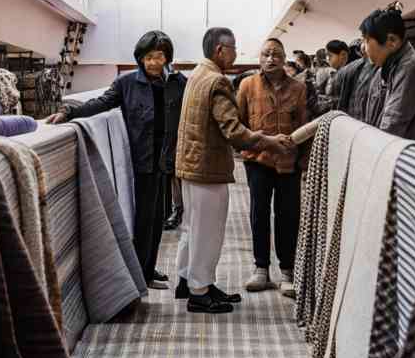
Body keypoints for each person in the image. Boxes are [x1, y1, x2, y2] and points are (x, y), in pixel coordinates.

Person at [48, 30, 185, 289]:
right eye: (149, 57)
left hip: (166, 160)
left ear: (167, 58)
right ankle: (141, 275)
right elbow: (101, 103)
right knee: (144, 219)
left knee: (159, 217)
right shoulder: (127, 83)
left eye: (160, 56)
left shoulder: (177, 83)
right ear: (140, 58)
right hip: (142, 161)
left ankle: (149, 267)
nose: (155, 62)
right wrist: (68, 112)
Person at [174, 27, 288, 314]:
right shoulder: (218, 81)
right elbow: (233, 131)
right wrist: (268, 141)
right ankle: (200, 293)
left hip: (190, 165)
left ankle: (189, 281)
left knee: (192, 227)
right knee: (207, 232)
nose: (236, 52)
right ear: (219, 51)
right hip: (207, 169)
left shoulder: (197, 75)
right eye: (233, 47)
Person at [237, 38, 307, 298]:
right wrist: (248, 149)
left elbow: (304, 124)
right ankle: (261, 269)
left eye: (276, 54)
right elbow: (239, 123)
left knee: (288, 215)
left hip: (289, 163)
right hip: (258, 161)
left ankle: (287, 271)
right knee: (259, 214)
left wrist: (304, 160)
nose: (270, 59)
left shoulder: (298, 89)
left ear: (284, 57)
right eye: (266, 54)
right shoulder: (247, 85)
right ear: (259, 58)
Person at [360, 4, 415, 147]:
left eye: (366, 40)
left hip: (408, 158)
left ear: (391, 41)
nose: (364, 47)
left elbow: (392, 124)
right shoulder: (389, 67)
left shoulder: (409, 67)